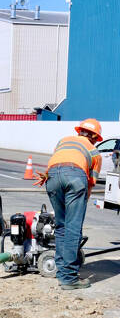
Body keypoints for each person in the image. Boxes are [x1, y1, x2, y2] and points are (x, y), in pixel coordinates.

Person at [35, 118, 102, 290]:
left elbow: (58, 164)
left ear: (79, 131)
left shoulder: (63, 141)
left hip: (51, 177)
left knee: (61, 226)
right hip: (75, 177)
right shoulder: (94, 152)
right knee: (73, 227)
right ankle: (69, 277)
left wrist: (51, 178)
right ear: (94, 137)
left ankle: (61, 271)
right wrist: (82, 203)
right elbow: (90, 183)